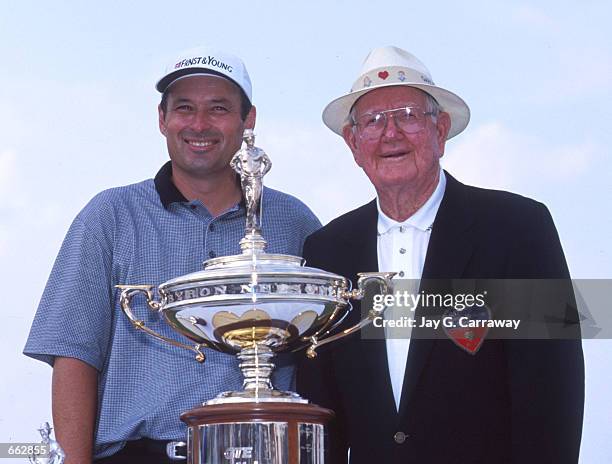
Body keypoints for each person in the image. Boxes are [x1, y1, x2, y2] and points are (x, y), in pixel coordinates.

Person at [24, 46, 321, 463]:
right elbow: (73, 355)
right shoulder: (110, 216)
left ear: (248, 119)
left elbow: (323, 354)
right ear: (162, 119)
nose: (199, 124)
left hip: (267, 451)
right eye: (184, 108)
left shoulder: (295, 222)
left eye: (218, 108)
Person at [296, 46, 584, 463]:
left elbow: (554, 390)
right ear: (353, 143)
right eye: (373, 121)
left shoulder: (517, 227)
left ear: (441, 130)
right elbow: (322, 408)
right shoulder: (326, 249)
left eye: (409, 115)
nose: (390, 133)